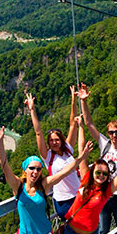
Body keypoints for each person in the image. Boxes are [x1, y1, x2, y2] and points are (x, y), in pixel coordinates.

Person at [79, 87, 117, 234]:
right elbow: (89, 123)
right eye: (111, 132)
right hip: (103, 194)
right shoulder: (105, 144)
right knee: (103, 231)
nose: (114, 135)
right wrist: (83, 101)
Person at [26, 88, 80, 217]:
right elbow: (38, 132)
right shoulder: (48, 156)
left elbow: (73, 124)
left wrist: (73, 99)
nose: (54, 142)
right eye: (51, 140)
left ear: (61, 140)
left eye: (56, 139)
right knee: (72, 229)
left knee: (83, 229)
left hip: (78, 195)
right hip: (63, 200)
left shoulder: (68, 150)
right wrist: (32, 110)